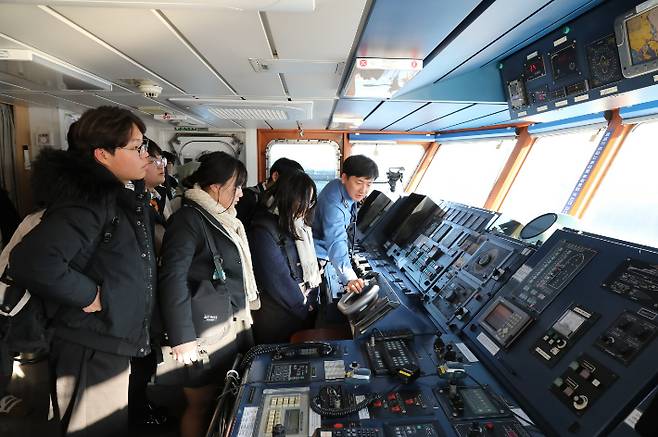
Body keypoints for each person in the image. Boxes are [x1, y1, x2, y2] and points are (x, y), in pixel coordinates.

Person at [9, 106, 156, 436]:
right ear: (103, 154)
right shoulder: (89, 201)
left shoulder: (120, 196)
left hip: (108, 340)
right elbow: (34, 261)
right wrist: (88, 294)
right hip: (89, 346)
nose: (145, 155)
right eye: (136, 147)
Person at [158, 151, 259, 437]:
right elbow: (172, 278)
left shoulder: (222, 218)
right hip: (202, 333)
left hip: (228, 325)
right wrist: (182, 338)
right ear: (215, 187)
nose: (240, 194)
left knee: (222, 400)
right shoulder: (188, 220)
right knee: (199, 405)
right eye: (235, 186)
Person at [249, 170, 321, 344]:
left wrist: (311, 302)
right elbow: (278, 280)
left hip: (301, 311)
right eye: (303, 201)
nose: (307, 207)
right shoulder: (262, 231)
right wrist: (304, 307)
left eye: (310, 201)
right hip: (277, 320)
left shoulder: (298, 226)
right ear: (288, 197)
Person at [312, 155, 378, 293]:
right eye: (359, 182)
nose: (364, 190)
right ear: (344, 177)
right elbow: (336, 240)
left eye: (369, 184)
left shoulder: (339, 186)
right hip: (317, 256)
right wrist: (349, 278)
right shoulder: (334, 205)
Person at [236, 157, 303, 229]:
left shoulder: (282, 200)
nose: (295, 189)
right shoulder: (248, 197)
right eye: (292, 182)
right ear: (275, 176)